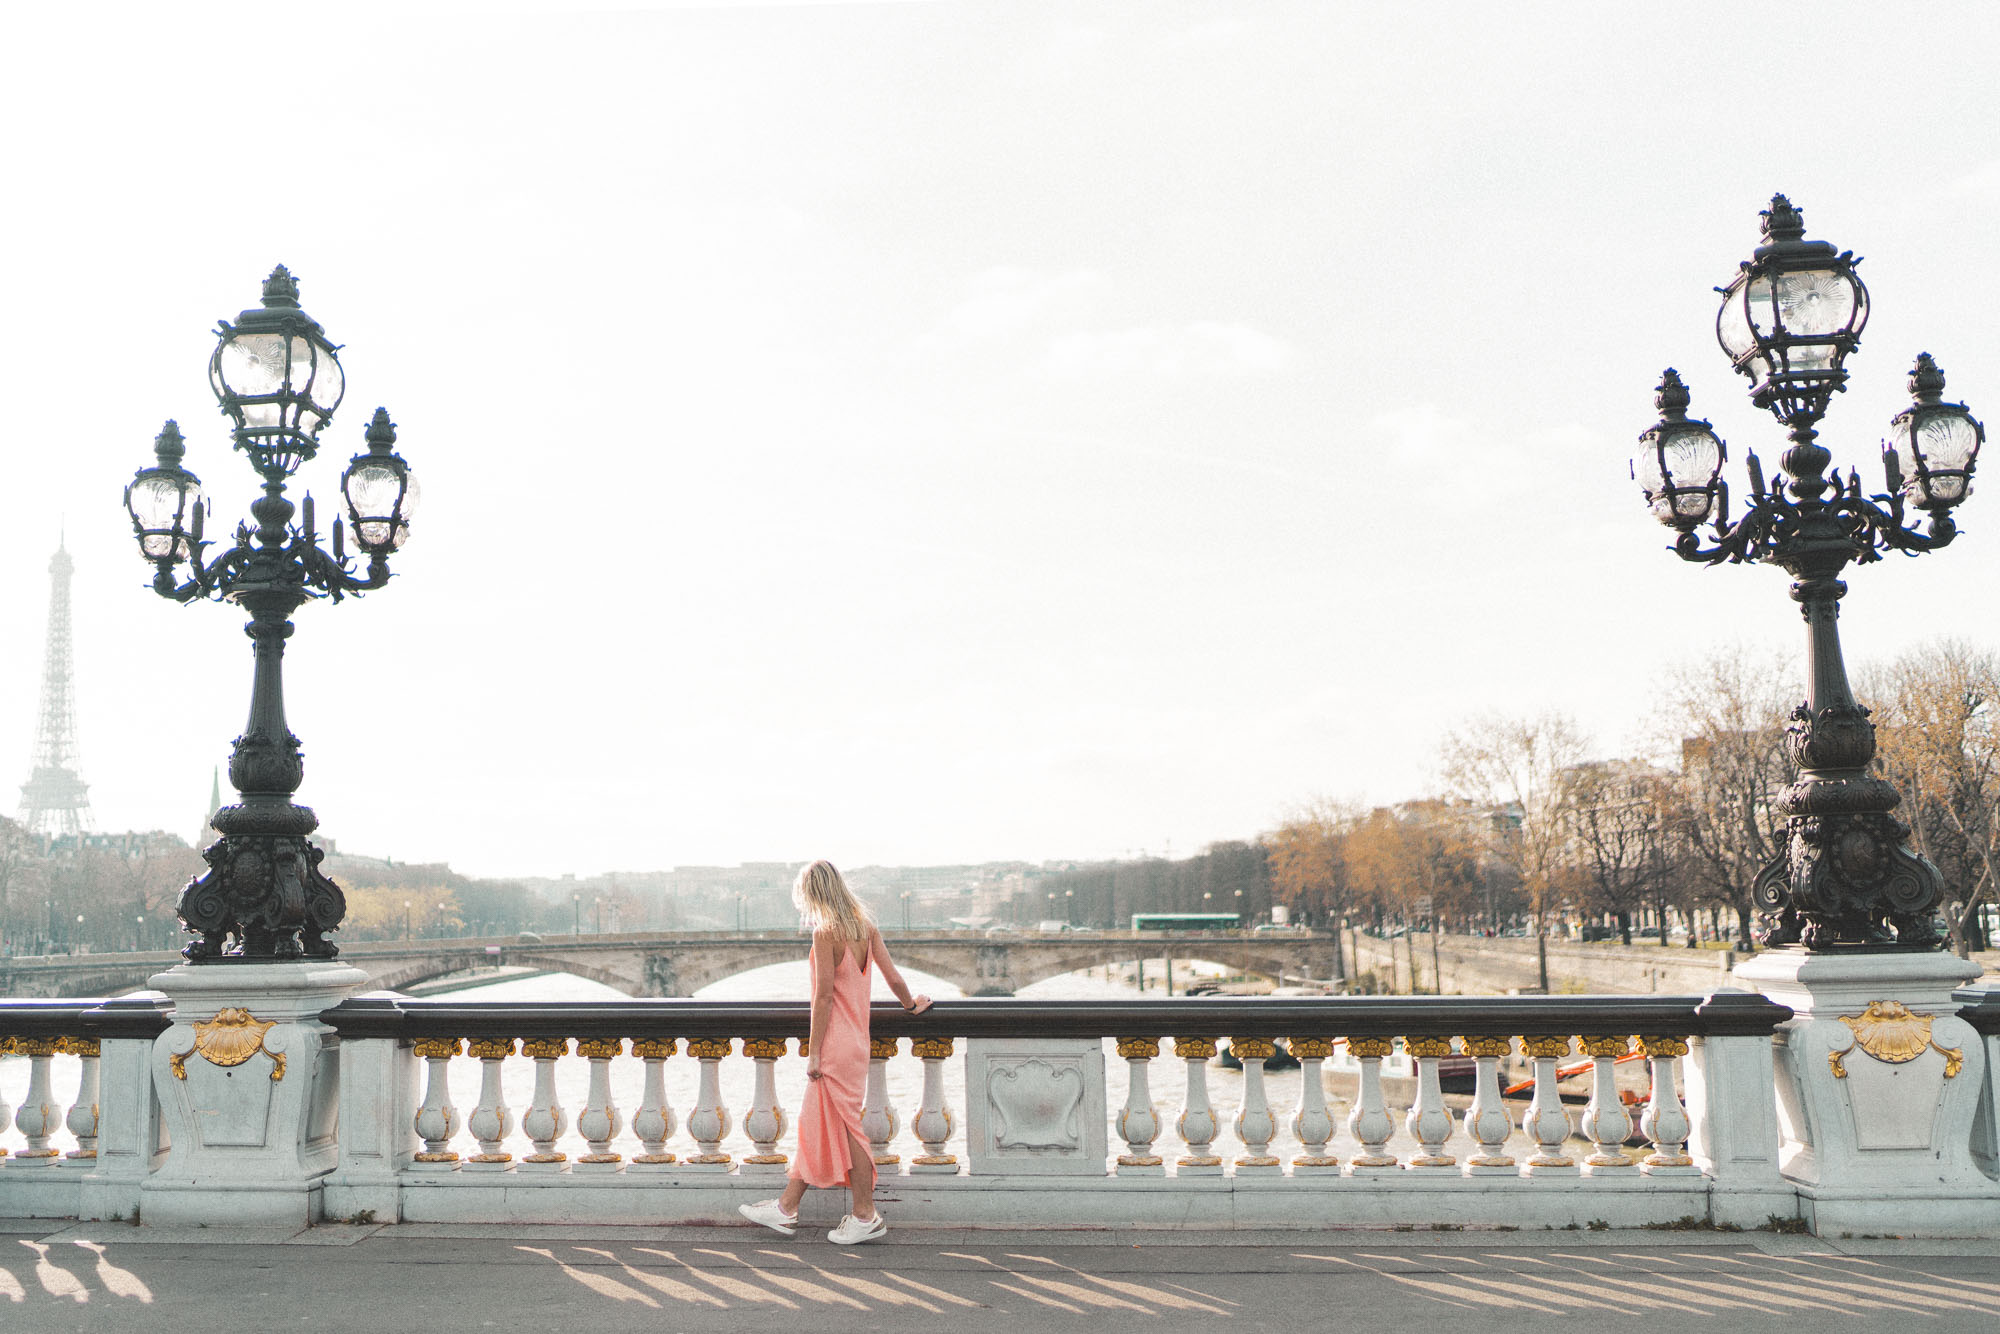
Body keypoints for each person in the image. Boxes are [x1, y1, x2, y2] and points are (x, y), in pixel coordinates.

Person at [739, 860, 931, 1244]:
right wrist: (911, 1005)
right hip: (856, 1043)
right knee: (818, 1125)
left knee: (849, 1131)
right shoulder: (865, 927)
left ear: (813, 895)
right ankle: (786, 1208)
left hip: (834, 1047)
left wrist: (813, 1054)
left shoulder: (825, 934)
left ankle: (864, 1215)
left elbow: (822, 997)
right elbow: (893, 977)